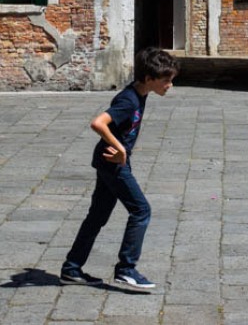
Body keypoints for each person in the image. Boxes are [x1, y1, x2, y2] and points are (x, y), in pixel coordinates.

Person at [60, 47, 179, 291]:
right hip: (113, 163)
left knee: (97, 216)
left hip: (109, 161)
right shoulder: (129, 99)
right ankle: (126, 269)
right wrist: (121, 149)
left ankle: (71, 269)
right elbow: (98, 123)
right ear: (149, 78)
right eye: (166, 80)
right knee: (141, 210)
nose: (170, 85)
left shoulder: (140, 92)